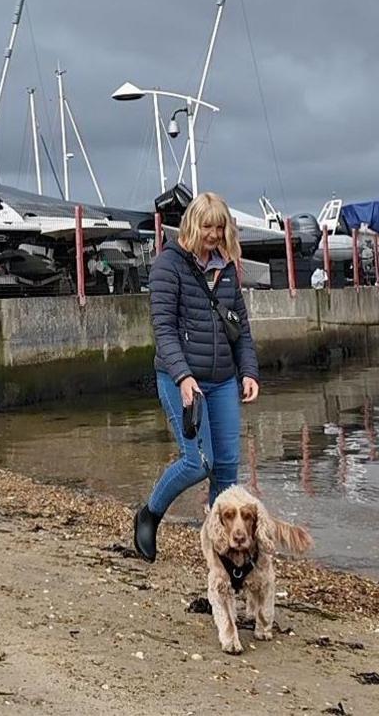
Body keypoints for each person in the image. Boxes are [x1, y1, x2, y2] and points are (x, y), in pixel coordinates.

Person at [132, 192, 259, 561]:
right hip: (180, 378)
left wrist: (248, 371)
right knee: (198, 463)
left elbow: (242, 329)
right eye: (208, 227)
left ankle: (221, 544)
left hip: (222, 380)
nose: (214, 234)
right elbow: (164, 329)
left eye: (220, 228)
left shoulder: (227, 267)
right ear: (191, 224)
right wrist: (184, 378)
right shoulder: (167, 266)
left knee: (226, 465)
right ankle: (150, 514)